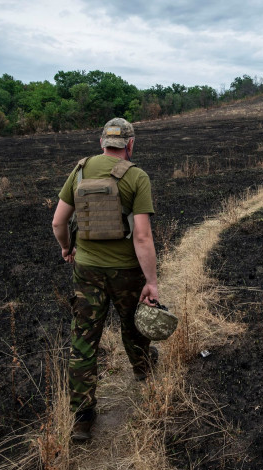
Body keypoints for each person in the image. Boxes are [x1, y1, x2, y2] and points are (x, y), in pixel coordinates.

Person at [51, 117, 159, 442]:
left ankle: (82, 418)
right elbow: (141, 237)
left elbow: (58, 222)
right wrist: (151, 282)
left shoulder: (80, 171)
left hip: (86, 271)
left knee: (83, 341)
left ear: (102, 143)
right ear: (130, 144)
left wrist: (67, 248)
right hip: (127, 272)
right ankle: (143, 373)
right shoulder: (137, 176)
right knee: (134, 325)